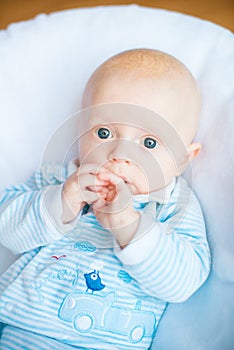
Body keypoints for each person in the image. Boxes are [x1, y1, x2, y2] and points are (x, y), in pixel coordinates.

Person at [0, 49, 210, 349]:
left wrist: (130, 228)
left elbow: (184, 282)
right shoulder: (58, 180)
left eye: (149, 142)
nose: (120, 154)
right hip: (22, 332)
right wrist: (61, 203)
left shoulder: (172, 205)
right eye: (103, 132)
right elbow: (6, 228)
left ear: (182, 159)